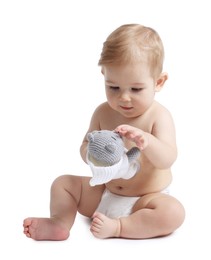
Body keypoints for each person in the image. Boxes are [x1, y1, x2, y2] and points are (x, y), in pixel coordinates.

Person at [23, 24, 185, 240]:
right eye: (113, 87)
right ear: (104, 76)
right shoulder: (102, 112)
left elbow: (167, 158)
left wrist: (147, 140)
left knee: (173, 213)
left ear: (159, 82)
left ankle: (120, 227)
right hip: (104, 193)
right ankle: (59, 222)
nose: (123, 97)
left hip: (144, 201)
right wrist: (91, 153)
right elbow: (84, 147)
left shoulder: (159, 116)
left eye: (136, 89)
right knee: (63, 183)